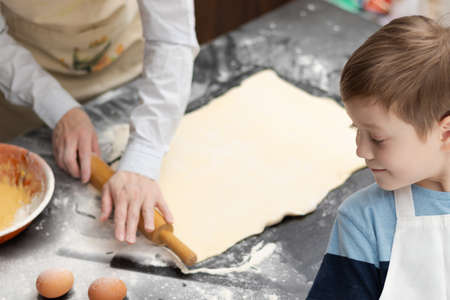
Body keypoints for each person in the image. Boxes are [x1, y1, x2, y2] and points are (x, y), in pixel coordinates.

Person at [0, 0, 199, 244]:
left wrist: (144, 155)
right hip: (23, 71)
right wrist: (55, 106)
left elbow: (171, 37)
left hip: (124, 61)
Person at [307, 16, 450, 299]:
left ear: (445, 132)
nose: (361, 150)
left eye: (377, 137)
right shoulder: (365, 220)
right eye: (356, 129)